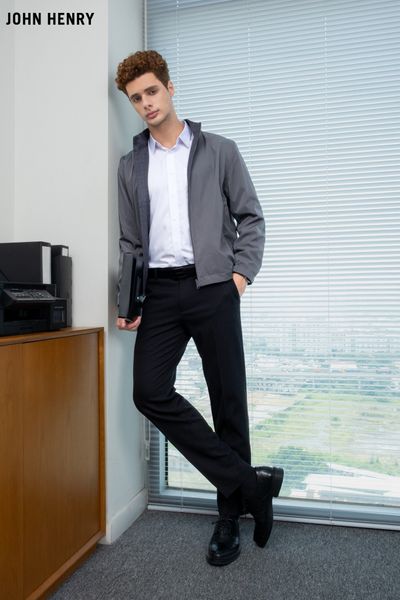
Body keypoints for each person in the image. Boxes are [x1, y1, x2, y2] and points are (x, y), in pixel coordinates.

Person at [115, 49, 284, 567]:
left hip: (213, 288)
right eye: (135, 98)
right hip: (161, 293)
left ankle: (229, 516)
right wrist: (128, 298)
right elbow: (130, 243)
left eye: (151, 91)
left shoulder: (220, 151)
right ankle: (251, 485)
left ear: (169, 88)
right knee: (149, 391)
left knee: (228, 401)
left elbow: (251, 218)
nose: (146, 103)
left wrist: (239, 278)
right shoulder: (130, 165)